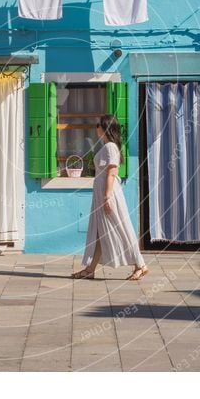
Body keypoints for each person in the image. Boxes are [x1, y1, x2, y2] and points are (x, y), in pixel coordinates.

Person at [71, 114, 149, 281]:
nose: (96, 127)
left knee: (122, 228)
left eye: (98, 124)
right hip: (102, 194)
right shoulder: (107, 146)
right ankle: (90, 270)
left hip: (109, 194)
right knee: (99, 232)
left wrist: (107, 197)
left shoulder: (110, 147)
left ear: (105, 127)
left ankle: (140, 265)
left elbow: (112, 173)